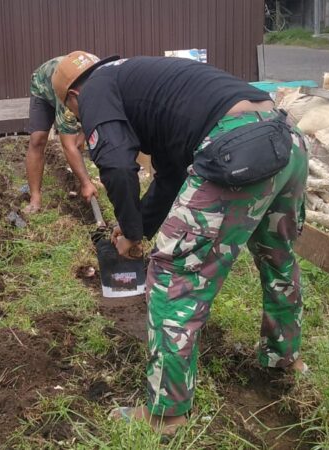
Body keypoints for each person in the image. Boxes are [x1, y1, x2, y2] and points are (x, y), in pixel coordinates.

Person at [52, 52, 309, 434]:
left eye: (74, 111)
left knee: (173, 276)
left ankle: (166, 414)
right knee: (278, 258)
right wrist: (139, 225)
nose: (80, 115)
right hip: (283, 137)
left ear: (74, 95)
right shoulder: (145, 80)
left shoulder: (96, 90)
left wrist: (133, 235)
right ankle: (283, 357)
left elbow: (118, 165)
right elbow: (172, 176)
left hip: (235, 148)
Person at [24, 54, 98, 214]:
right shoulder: (67, 99)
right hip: (43, 84)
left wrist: (84, 134)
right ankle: (35, 198)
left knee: (80, 141)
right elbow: (68, 145)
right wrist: (86, 183)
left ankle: (84, 180)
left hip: (77, 84)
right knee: (38, 139)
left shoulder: (102, 85)